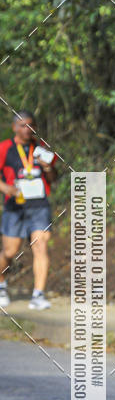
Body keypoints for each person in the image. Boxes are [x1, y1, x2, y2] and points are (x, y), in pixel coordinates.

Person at [0, 111, 57, 309]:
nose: (27, 130)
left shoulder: (42, 149)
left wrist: (48, 168)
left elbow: (52, 179)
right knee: (10, 251)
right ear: (15, 127)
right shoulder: (5, 148)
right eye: (22, 126)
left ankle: (38, 295)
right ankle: (1, 284)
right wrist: (5, 187)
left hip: (39, 206)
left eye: (30, 125)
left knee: (40, 245)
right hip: (14, 206)